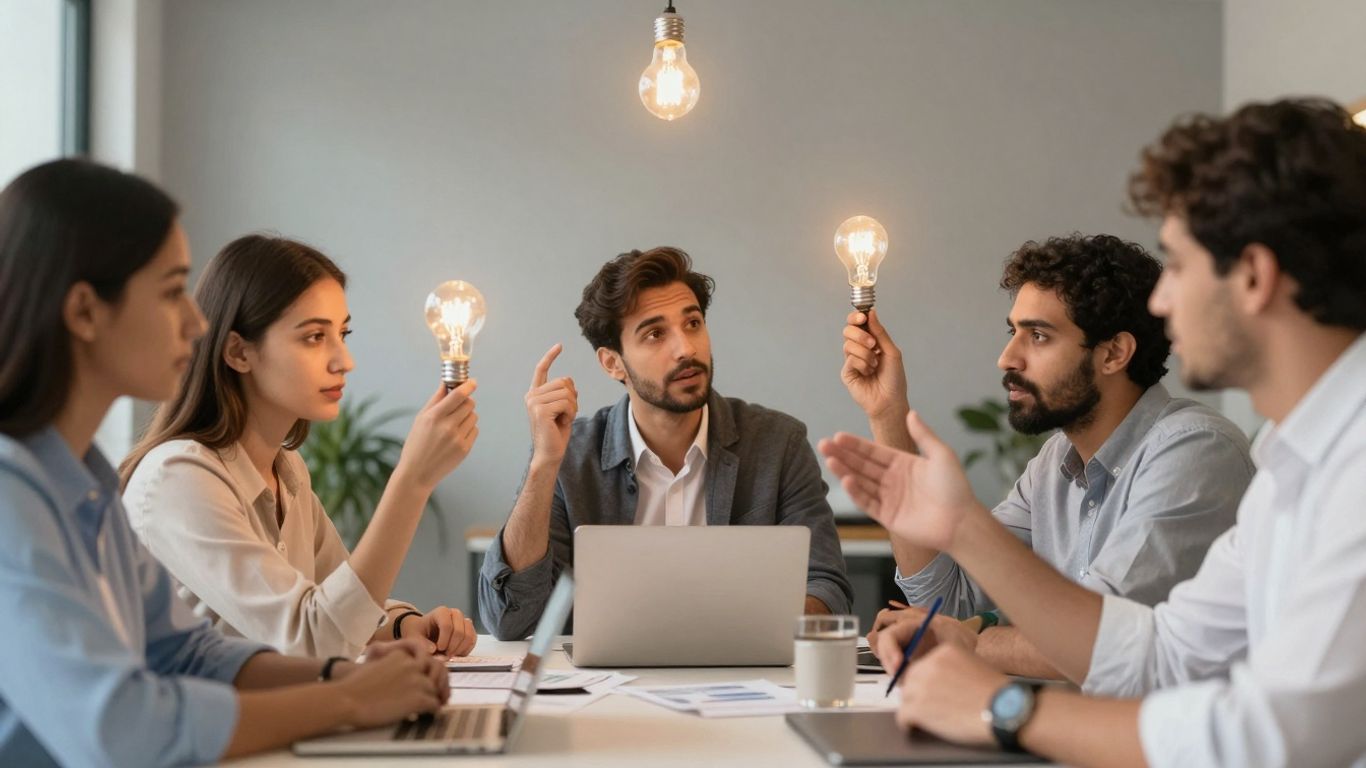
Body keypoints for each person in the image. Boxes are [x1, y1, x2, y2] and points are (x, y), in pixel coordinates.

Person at [822, 98, 1366, 766]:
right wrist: (958, 524)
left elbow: (1268, 735)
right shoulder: (1294, 460)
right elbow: (1163, 653)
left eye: (1178, 265)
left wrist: (1003, 706)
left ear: (1252, 276)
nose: (1162, 301)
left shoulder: (1341, 463)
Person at [0, 159, 447, 766]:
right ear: (84, 312)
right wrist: (348, 699)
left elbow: (188, 654)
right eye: (169, 291)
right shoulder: (19, 495)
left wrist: (348, 674)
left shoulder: (87, 484)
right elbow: (123, 730)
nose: (195, 320)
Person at [843, 235, 1253, 678]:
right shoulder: (1054, 462)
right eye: (1012, 331)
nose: (1007, 358)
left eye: (1038, 335)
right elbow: (949, 601)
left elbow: (1100, 642)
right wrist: (888, 413)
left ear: (1114, 353)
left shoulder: (1194, 451)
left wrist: (967, 639)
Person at [121, 235, 479, 659]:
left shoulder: (286, 471)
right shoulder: (178, 480)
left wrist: (405, 624)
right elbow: (315, 637)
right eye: (313, 337)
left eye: (342, 333)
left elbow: (335, 602)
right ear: (238, 351)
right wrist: (412, 481)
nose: (343, 361)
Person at [479, 246, 854, 639]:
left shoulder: (779, 444)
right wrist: (543, 464)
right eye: (655, 334)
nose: (686, 349)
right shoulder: (570, 456)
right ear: (613, 363)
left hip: (742, 686)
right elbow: (508, 620)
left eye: (692, 323)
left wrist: (761, 630)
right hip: (607, 691)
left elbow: (828, 586)